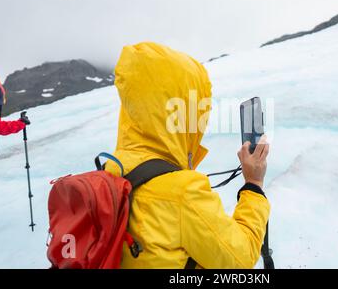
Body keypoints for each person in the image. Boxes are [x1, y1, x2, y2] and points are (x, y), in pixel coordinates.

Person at [105, 42, 270, 269]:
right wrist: (254, 184)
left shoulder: (111, 169)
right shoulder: (182, 192)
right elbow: (240, 259)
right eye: (197, 108)